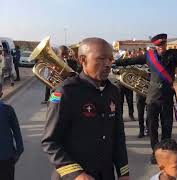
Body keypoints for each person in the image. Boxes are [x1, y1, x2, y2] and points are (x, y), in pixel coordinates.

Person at [115, 33, 177, 164]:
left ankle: (165, 153)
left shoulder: (173, 55)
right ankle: (155, 153)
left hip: (167, 97)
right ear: (155, 46)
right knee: (153, 127)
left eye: (163, 44)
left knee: (167, 128)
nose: (161, 47)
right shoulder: (149, 56)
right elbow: (132, 61)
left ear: (166, 44)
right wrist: (116, 62)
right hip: (152, 98)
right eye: (159, 45)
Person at [41, 38, 129, 180]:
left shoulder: (113, 91)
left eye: (110, 59)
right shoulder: (64, 92)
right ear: (83, 59)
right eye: (101, 59)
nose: (108, 64)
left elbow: (118, 136)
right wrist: (76, 174)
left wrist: (123, 172)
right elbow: (50, 142)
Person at [0, 83, 24, 180]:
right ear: (1, 93)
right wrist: (18, 152)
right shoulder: (8, 110)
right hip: (6, 157)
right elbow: (17, 132)